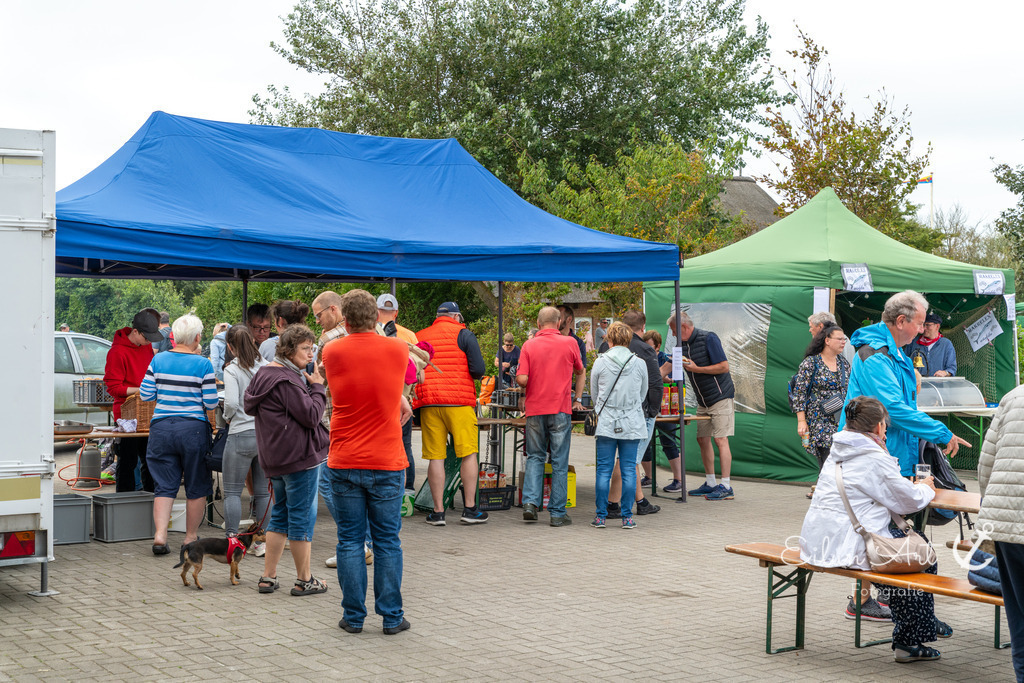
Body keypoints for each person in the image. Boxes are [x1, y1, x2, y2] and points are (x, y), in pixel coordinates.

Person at [800, 397, 947, 663]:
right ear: (879, 428)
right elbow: (909, 501)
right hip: (851, 546)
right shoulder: (873, 457)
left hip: (817, 541)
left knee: (907, 556)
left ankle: (909, 618)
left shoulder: (838, 451)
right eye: (886, 426)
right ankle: (909, 641)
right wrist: (926, 486)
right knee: (922, 557)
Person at [324, 289, 413, 636]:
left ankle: (354, 617)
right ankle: (392, 617)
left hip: (344, 456)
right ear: (377, 316)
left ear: (344, 320)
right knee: (388, 541)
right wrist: (402, 400)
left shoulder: (332, 351)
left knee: (349, 541)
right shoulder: (398, 348)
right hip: (387, 458)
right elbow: (389, 385)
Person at [842, 290, 969, 477]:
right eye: (919, 324)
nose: (921, 330)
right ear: (901, 321)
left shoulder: (898, 354)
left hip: (891, 454)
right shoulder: (876, 357)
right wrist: (942, 433)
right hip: (873, 458)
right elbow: (892, 409)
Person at [245, 325, 331, 597]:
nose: (310, 354)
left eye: (312, 348)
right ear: (288, 350)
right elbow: (311, 416)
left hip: (275, 458)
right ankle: (305, 580)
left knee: (280, 516)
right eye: (305, 348)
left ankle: (268, 577)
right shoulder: (287, 379)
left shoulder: (264, 374)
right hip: (299, 458)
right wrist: (317, 388)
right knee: (302, 518)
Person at [139, 314, 219, 555]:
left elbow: (145, 395)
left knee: (164, 484)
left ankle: (160, 535)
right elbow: (212, 403)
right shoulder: (203, 364)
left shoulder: (158, 360)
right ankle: (190, 538)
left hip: (161, 428)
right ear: (196, 338)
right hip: (192, 429)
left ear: (173, 336)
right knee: (196, 485)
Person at [414, 301, 488, 525]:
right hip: (459, 402)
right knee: (468, 453)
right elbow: (479, 370)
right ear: (456, 317)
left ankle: (437, 513)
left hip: (429, 402)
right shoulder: (464, 335)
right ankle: (470, 510)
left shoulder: (420, 336)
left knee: (436, 456)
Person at [516, 307, 585, 527]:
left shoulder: (528, 345)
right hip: (561, 409)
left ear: (538, 322)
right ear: (559, 322)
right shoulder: (570, 343)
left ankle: (530, 503)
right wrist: (577, 398)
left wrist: (522, 380)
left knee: (535, 456)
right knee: (559, 461)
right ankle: (557, 513)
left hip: (535, 409)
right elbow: (581, 370)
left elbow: (522, 379)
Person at [977, 385, 1024, 682]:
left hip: (1005, 522)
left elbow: (985, 464)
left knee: (1018, 617)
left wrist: (991, 509)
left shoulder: (1015, 396)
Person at [601, 311, 662, 517]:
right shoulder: (645, 349)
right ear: (642, 327)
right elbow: (653, 384)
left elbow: (597, 385)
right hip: (638, 412)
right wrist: (652, 411)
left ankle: (638, 501)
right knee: (629, 459)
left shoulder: (604, 347)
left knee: (616, 461)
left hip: (608, 414)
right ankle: (613, 504)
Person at [590, 322, 649, 529]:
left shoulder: (600, 362)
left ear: (610, 339)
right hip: (632, 421)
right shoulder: (639, 363)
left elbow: (595, 394)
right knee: (629, 470)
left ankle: (600, 516)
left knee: (603, 471)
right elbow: (643, 394)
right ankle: (627, 517)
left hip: (607, 421)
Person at [675, 310, 736, 501]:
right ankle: (710, 482)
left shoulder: (708, 338)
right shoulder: (682, 345)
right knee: (702, 439)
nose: (674, 335)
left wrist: (697, 369)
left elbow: (724, 366)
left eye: (675, 331)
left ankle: (726, 485)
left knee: (721, 439)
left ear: (684, 327)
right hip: (703, 400)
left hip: (721, 397)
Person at [221, 325, 270, 555]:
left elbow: (230, 402)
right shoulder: (266, 366)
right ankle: (261, 542)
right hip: (263, 434)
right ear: (252, 340)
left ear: (230, 346)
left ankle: (232, 540)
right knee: (263, 492)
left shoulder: (232, 369)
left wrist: (227, 417)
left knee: (232, 492)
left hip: (239, 433)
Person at [103, 307, 162, 493]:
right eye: (146, 337)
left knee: (150, 459)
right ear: (135, 331)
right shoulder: (116, 352)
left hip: (147, 412)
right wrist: (140, 390)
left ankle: (151, 501)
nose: (148, 342)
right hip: (126, 415)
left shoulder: (145, 347)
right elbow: (113, 388)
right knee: (127, 461)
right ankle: (123, 504)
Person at [792, 324, 850, 488]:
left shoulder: (843, 363)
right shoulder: (811, 363)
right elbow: (800, 392)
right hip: (819, 421)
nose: (843, 342)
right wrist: (801, 421)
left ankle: (826, 491)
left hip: (840, 420)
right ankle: (826, 493)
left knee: (837, 463)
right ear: (827, 340)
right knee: (827, 460)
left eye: (844, 339)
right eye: (839, 339)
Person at [376, 293, 419, 491]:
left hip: (380, 400)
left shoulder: (373, 333)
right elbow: (418, 370)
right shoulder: (409, 335)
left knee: (383, 445)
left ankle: (386, 488)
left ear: (376, 313)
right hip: (405, 400)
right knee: (405, 445)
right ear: (397, 313)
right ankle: (408, 490)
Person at [640, 330, 683, 492]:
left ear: (658, 346)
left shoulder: (667, 360)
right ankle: (649, 477)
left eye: (650, 347)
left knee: (669, 442)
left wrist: (665, 378)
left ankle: (678, 480)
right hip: (647, 408)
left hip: (666, 409)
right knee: (645, 443)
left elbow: (676, 382)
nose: (647, 349)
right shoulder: (641, 359)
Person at [903, 312, 957, 377]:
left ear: (937, 326)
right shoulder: (913, 342)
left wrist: (945, 373)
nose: (924, 328)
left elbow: (952, 368)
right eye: (923, 325)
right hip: (915, 385)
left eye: (928, 325)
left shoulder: (946, 344)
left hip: (937, 386)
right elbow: (904, 361)